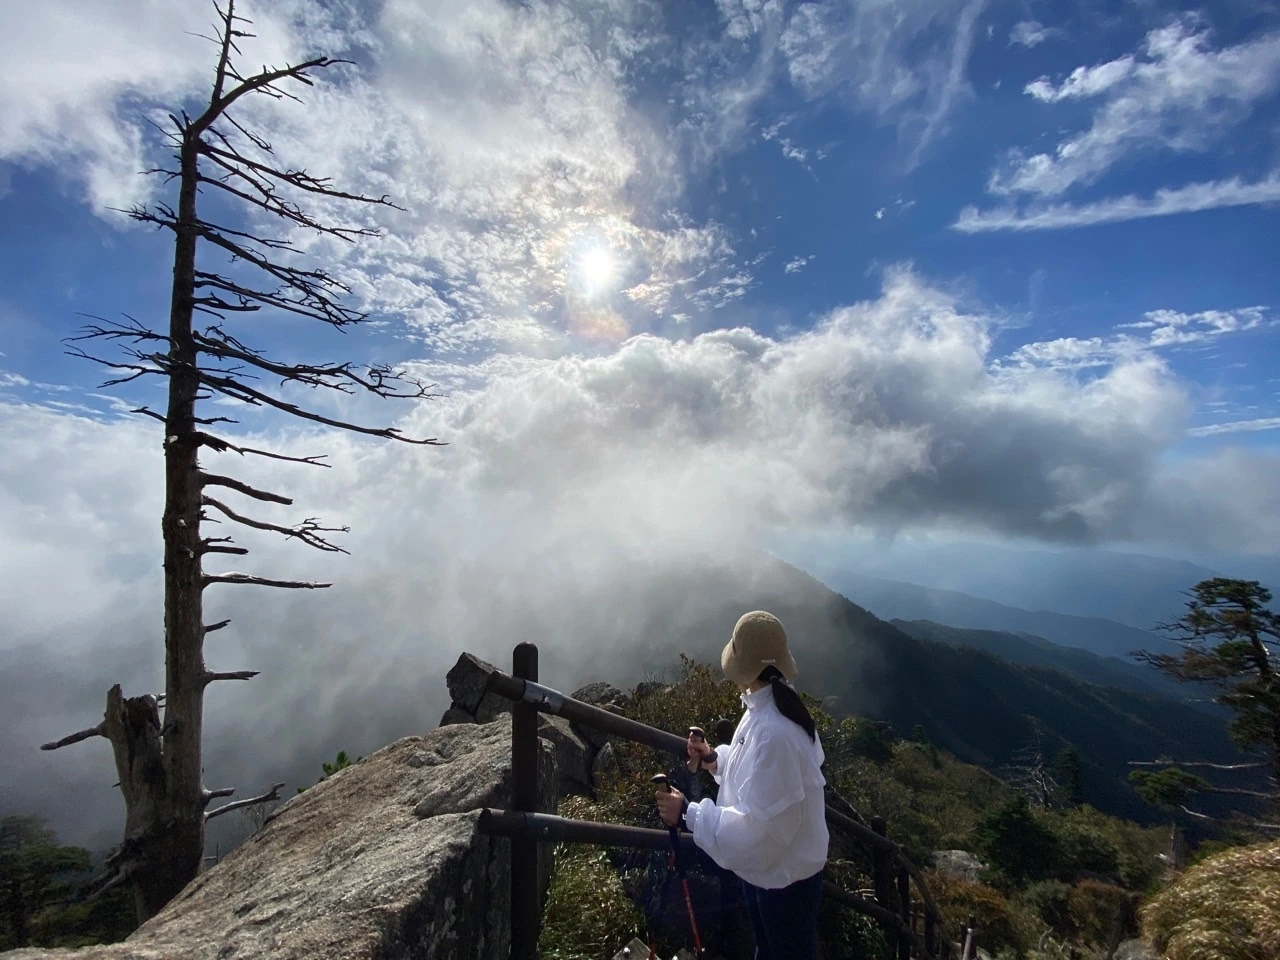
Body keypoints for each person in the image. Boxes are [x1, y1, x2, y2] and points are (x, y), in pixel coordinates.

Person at [655, 610, 828, 960]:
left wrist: (688, 813)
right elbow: (758, 776)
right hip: (771, 872)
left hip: (784, 879)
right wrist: (714, 759)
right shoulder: (772, 706)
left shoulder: (775, 730)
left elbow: (759, 831)